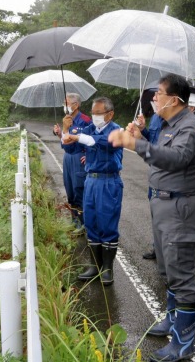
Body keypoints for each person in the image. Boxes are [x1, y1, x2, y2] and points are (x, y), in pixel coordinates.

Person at [109, 74, 195, 362]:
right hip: (163, 204)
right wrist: (141, 139)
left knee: (182, 275)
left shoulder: (191, 127)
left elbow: (176, 159)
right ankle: (171, 318)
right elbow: (159, 157)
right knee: (167, 270)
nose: (153, 99)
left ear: (174, 99)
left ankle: (182, 344)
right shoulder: (167, 126)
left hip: (181, 208)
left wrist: (135, 144)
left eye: (158, 94)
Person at [62, 97, 123, 286]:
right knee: (91, 222)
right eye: (93, 113)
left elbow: (104, 142)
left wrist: (78, 137)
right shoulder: (89, 129)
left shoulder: (117, 131)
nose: (95, 116)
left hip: (108, 181)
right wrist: (65, 130)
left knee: (107, 223)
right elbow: (70, 148)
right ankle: (95, 266)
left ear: (110, 114)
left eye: (98, 113)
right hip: (90, 181)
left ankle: (107, 268)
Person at [53, 93, 91, 234]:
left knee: (79, 188)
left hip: (79, 157)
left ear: (76, 105)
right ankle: (74, 220)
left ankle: (84, 222)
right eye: (64, 103)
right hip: (68, 158)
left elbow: (93, 139)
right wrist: (60, 133)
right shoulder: (66, 120)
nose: (65, 106)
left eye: (67, 103)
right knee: (69, 189)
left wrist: (89, 155)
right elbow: (65, 144)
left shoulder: (86, 121)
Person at [134, 111, 163, 260]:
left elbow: (165, 151)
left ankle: (168, 252)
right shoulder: (156, 117)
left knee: (166, 213)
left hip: (167, 173)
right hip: (154, 171)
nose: (154, 100)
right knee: (155, 210)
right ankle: (157, 247)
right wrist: (143, 129)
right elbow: (152, 139)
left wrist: (138, 142)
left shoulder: (177, 121)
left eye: (157, 98)